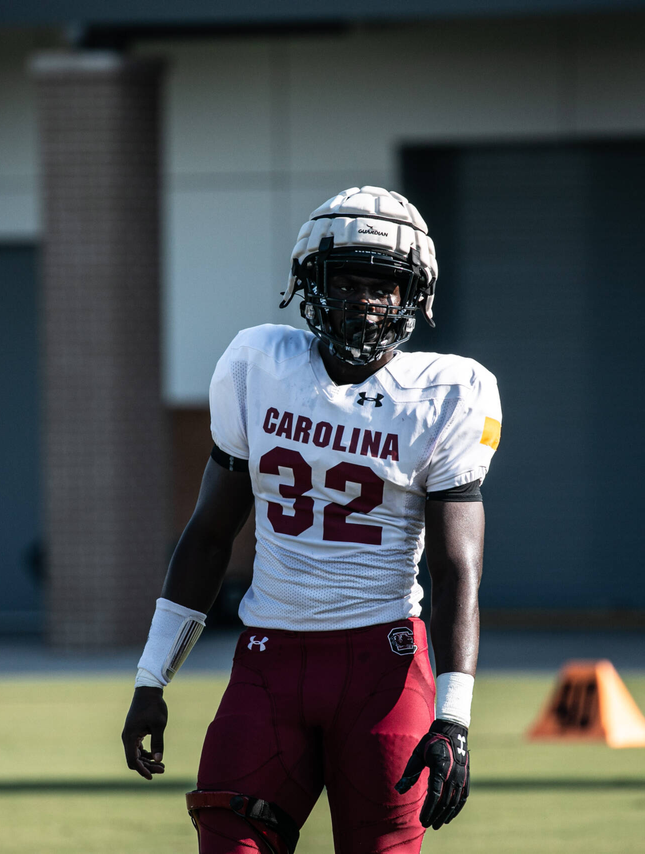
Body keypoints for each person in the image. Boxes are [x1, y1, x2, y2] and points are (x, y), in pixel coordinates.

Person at [121, 186, 500, 853]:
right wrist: (151, 678)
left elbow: (455, 567)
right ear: (308, 284)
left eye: (385, 283)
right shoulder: (257, 365)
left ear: (414, 295)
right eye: (347, 278)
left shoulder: (447, 392)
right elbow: (210, 533)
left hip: (383, 666)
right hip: (270, 659)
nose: (365, 298)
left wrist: (455, 718)